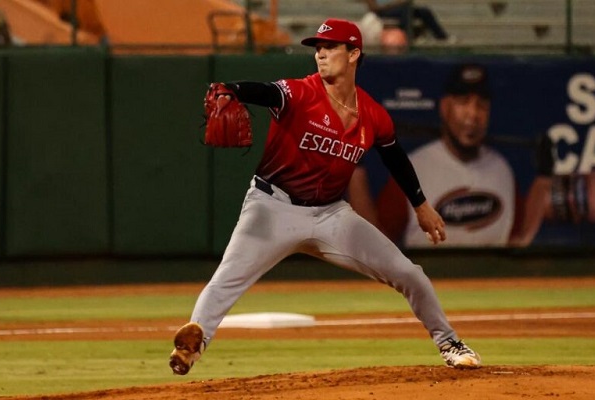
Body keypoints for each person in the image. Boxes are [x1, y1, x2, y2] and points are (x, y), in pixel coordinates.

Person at [168, 18, 481, 376]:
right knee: (226, 279)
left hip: (331, 215)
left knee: (409, 273)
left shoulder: (373, 115)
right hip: (273, 207)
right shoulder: (300, 92)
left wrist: (421, 205)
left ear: (354, 54)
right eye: (318, 48)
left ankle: (450, 343)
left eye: (330, 47)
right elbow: (267, 92)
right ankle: (191, 347)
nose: (321, 54)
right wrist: (232, 90)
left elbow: (394, 157)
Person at [349, 63, 516, 248]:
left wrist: (540, 178)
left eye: (481, 105)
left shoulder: (502, 170)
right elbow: (373, 243)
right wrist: (355, 164)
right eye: (463, 102)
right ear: (445, 107)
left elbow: (523, 241)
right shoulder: (413, 170)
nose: (473, 114)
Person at [364, 0, 451, 42]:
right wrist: (393, 5)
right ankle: (407, 38)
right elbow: (374, 8)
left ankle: (442, 37)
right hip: (383, 12)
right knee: (405, 10)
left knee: (424, 12)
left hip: (400, 9)